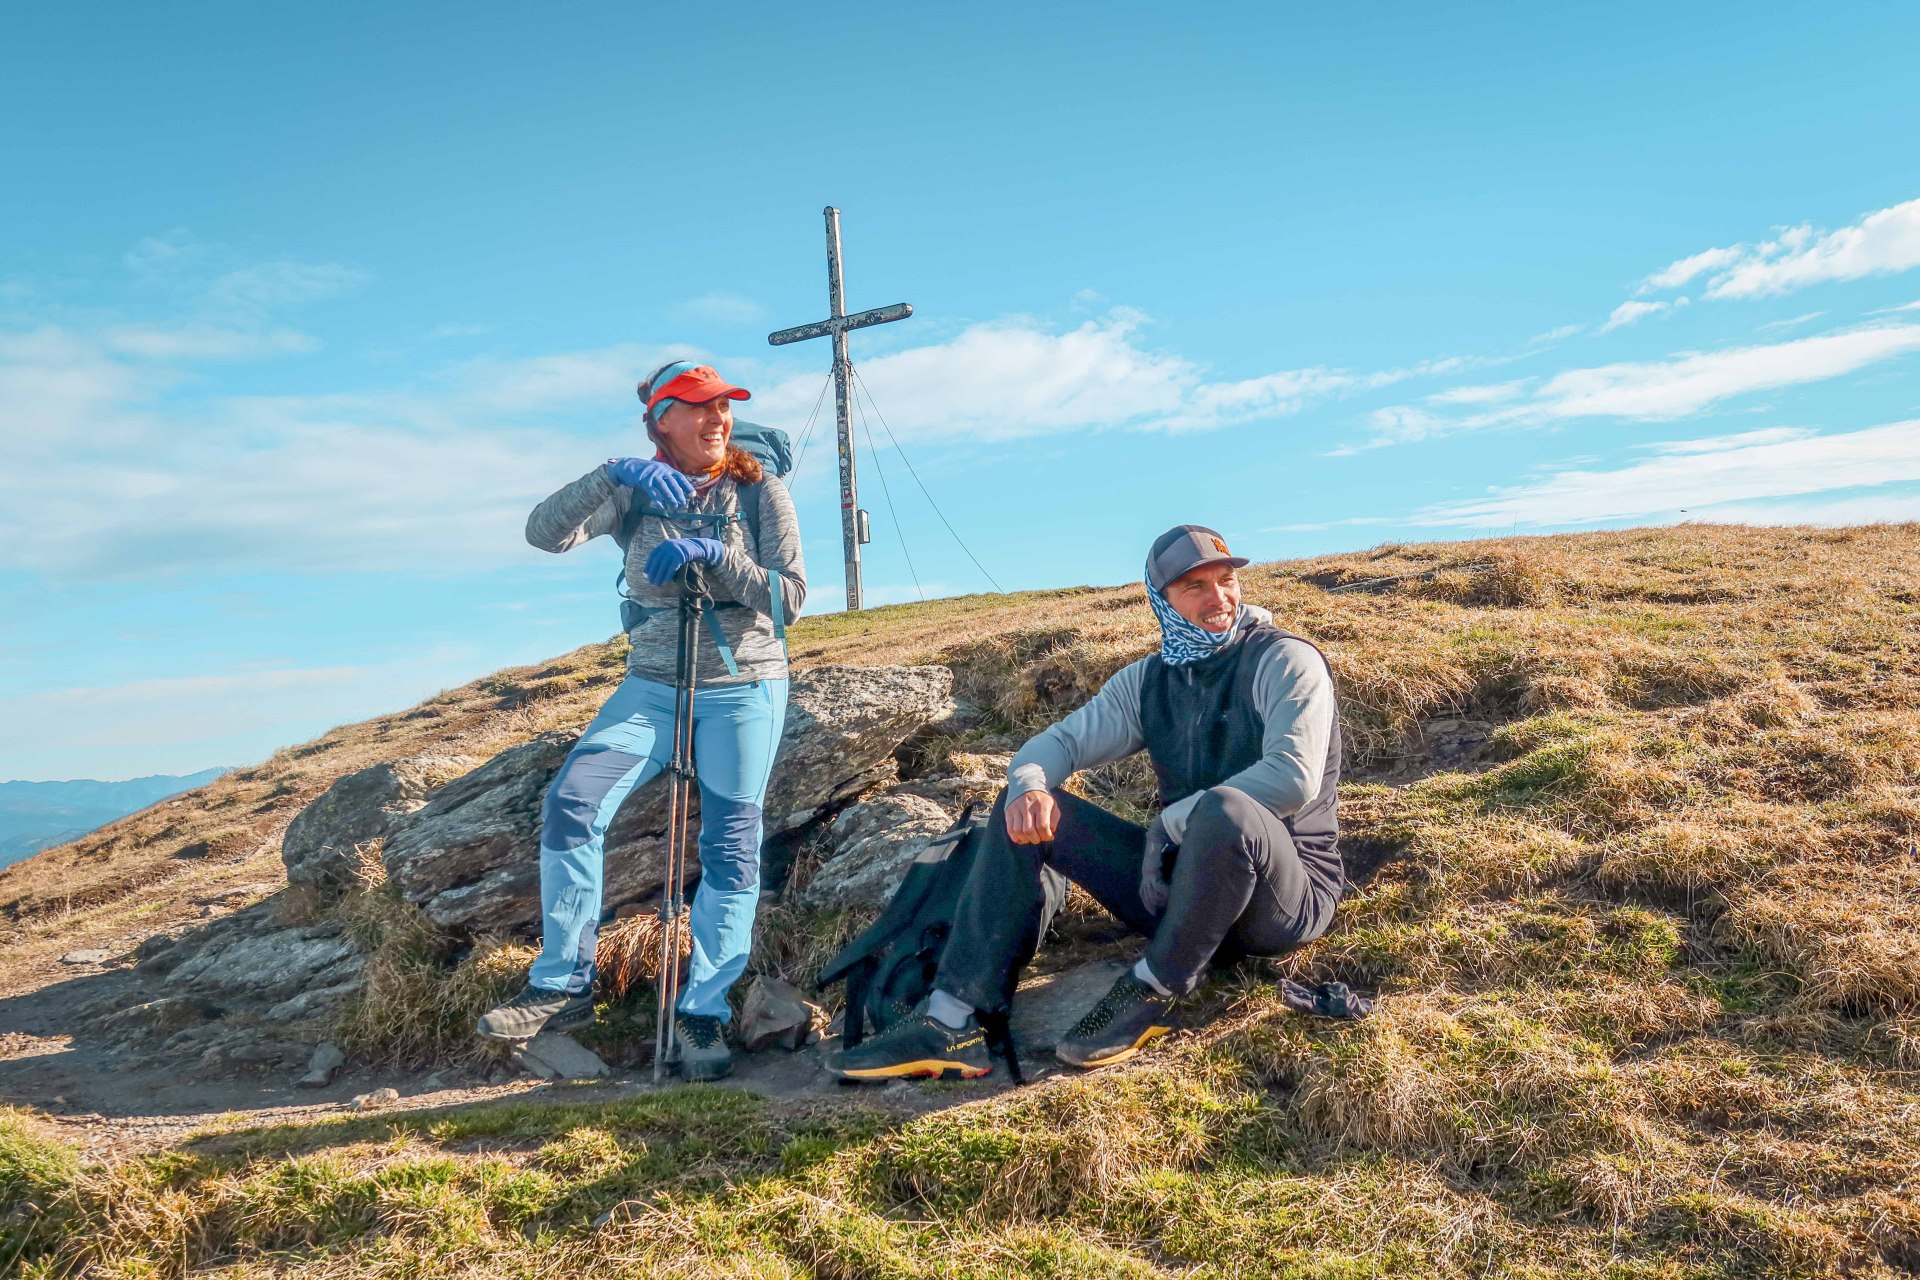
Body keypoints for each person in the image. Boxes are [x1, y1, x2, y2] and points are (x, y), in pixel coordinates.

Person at [827, 524, 1341, 1080]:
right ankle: (952, 1017)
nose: (1217, 598)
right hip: (1178, 892)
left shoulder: (1285, 660)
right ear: (1161, 599)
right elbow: (1056, 745)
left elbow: (1293, 778)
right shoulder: (1148, 680)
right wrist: (1028, 787)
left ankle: (1154, 989)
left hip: (1281, 902)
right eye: (1194, 586)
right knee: (1024, 805)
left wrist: (1171, 821)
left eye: (1225, 580)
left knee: (1227, 809)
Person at [477, 360, 806, 1082]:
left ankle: (704, 1011)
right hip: (652, 688)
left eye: (722, 407)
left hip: (745, 688)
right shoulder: (630, 491)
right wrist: (609, 474)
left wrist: (716, 556)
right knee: (572, 803)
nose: (715, 419)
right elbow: (543, 533)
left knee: (731, 847)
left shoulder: (759, 490)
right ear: (661, 420)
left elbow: (790, 598)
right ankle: (562, 984)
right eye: (697, 408)